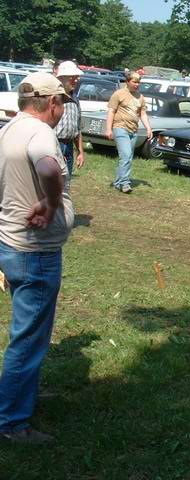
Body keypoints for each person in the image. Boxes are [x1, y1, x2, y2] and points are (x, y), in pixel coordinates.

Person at [0, 72, 74, 443]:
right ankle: (12, 421)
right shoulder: (41, 133)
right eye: (61, 102)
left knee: (27, 331)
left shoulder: (10, 128)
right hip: (34, 252)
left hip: (11, 245)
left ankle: (18, 395)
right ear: (52, 103)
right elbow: (47, 168)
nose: (62, 109)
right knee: (28, 338)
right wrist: (52, 201)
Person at [105, 71, 152, 194]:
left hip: (133, 130)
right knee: (125, 155)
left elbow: (142, 113)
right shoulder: (118, 94)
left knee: (127, 157)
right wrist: (109, 129)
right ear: (127, 82)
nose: (137, 84)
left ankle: (117, 182)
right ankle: (125, 183)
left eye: (138, 82)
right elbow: (111, 111)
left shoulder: (140, 97)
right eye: (134, 82)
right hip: (120, 127)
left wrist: (148, 128)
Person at [54, 61, 85, 178]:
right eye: (72, 77)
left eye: (77, 77)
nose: (76, 80)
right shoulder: (53, 96)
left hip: (69, 145)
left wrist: (80, 151)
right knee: (52, 181)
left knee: (65, 181)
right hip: (54, 144)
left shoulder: (74, 98)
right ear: (61, 78)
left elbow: (78, 127)